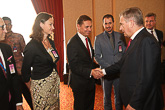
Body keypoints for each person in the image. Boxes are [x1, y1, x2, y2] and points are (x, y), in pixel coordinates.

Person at [96, 7, 164, 110]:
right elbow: (122, 63)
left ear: (131, 23)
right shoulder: (135, 39)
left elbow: (146, 78)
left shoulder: (146, 41)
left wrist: (134, 103)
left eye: (122, 24)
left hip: (144, 103)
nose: (120, 28)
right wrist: (103, 71)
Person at [21, 12, 60, 110]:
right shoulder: (32, 46)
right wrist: (32, 88)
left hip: (53, 86)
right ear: (41, 24)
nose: (53, 27)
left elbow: (53, 60)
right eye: (50, 24)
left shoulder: (50, 41)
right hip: (41, 88)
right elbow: (25, 71)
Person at [67, 15, 103, 110]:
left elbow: (88, 60)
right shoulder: (72, 43)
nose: (90, 29)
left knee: (89, 106)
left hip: (90, 81)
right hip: (80, 83)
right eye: (87, 27)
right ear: (78, 26)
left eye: (91, 27)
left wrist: (98, 68)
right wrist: (91, 72)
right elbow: (74, 66)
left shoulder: (87, 39)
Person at [94, 14, 126, 110]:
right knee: (107, 97)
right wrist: (109, 67)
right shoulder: (98, 38)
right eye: (106, 23)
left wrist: (118, 66)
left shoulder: (120, 36)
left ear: (113, 23)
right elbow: (97, 56)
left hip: (118, 72)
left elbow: (124, 53)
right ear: (103, 24)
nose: (108, 25)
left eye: (110, 23)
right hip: (106, 72)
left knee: (118, 97)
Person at [2, 16, 33, 110]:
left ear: (11, 25)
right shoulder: (1, 39)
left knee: (31, 96)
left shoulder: (18, 36)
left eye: (8, 24)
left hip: (22, 72)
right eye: (4, 25)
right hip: (9, 75)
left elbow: (26, 53)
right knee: (14, 100)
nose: (6, 27)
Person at [0, 17, 23, 110]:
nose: (5, 31)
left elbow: (13, 76)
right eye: (2, 27)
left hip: (11, 102)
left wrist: (18, 102)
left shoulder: (6, 48)